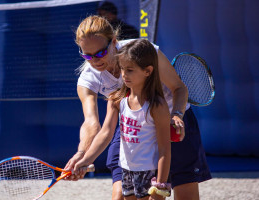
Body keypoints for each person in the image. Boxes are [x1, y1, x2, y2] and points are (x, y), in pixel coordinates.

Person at [64, 15, 211, 200]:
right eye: (87, 55)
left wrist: (177, 115)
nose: (95, 61)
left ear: (114, 42)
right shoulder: (88, 78)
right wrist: (82, 155)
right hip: (132, 124)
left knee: (184, 194)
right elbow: (92, 123)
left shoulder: (142, 52)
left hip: (172, 121)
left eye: (100, 53)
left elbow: (179, 88)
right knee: (119, 196)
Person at [74, 39, 171, 200]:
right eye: (122, 69)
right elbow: (105, 133)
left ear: (148, 71)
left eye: (130, 70)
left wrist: (160, 184)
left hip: (149, 172)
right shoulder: (116, 99)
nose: (124, 75)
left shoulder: (157, 106)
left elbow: (164, 150)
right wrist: (84, 160)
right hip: (126, 169)